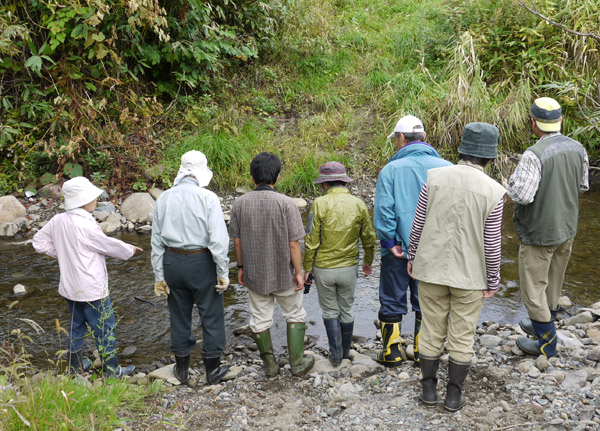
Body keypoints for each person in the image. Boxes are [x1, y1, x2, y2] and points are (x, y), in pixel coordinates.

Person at [407, 122, 506, 412]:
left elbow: (419, 224)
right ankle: (453, 396)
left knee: (431, 328)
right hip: (471, 277)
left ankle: (428, 391)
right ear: (490, 157)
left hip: (431, 268)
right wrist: (493, 279)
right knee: (462, 334)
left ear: (461, 149)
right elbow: (491, 242)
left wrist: (413, 256)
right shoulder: (494, 191)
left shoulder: (434, 178)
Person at [32, 176, 140, 378]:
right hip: (92, 289)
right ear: (83, 201)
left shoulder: (58, 220)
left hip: (70, 288)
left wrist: (61, 253)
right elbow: (108, 245)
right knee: (105, 329)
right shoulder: (86, 226)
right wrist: (130, 250)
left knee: (75, 328)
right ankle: (112, 371)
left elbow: (38, 242)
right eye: (93, 197)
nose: (96, 200)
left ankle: (74, 368)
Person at [508, 97, 589, 358]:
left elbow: (522, 195)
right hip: (567, 228)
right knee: (554, 281)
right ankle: (545, 320)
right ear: (560, 121)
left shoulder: (534, 154)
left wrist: (509, 182)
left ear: (533, 122)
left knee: (533, 288)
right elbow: (582, 186)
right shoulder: (579, 149)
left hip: (539, 232)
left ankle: (545, 341)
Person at [373, 114, 452, 366]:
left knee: (391, 297)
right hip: (434, 251)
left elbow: (384, 211)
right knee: (427, 299)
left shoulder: (390, 170)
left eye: (395, 139)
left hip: (397, 250)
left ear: (400, 138)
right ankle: (421, 351)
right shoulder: (448, 169)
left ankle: (392, 352)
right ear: (425, 138)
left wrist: (389, 242)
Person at [229, 152, 314, 378]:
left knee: (259, 318)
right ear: (277, 177)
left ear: (252, 176)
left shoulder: (239, 204)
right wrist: (299, 273)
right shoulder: (286, 204)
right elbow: (294, 244)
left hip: (255, 274)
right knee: (295, 314)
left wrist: (241, 267)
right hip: (283, 273)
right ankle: (297, 363)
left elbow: (236, 240)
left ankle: (270, 366)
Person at [151, 150, 230, 385]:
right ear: (202, 172)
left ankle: (182, 370)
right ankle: (212, 371)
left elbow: (156, 241)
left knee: (178, 313)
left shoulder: (163, 197)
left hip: (172, 261)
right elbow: (217, 240)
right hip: (201, 261)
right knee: (211, 314)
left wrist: (159, 276)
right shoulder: (208, 198)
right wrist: (223, 271)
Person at [303, 162, 377, 365]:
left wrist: (307, 268)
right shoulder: (358, 204)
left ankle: (335, 355)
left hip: (324, 268)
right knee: (347, 308)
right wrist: (368, 262)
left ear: (325, 184)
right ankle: (345, 353)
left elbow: (311, 241)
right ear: (344, 181)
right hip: (348, 267)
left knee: (329, 311)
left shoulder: (318, 204)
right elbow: (369, 238)